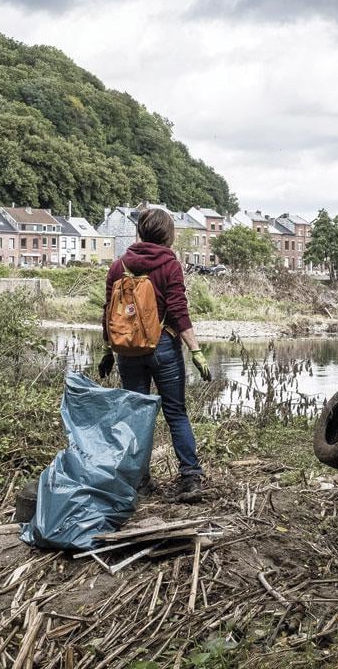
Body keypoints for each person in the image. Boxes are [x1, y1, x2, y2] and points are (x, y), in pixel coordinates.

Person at [98, 208, 212, 502]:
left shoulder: (118, 266)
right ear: (167, 235)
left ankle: (141, 482)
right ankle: (190, 479)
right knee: (176, 413)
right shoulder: (169, 265)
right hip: (163, 347)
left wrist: (108, 350)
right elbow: (177, 311)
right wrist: (196, 351)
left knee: (137, 418)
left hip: (127, 350)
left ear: (142, 232)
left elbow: (109, 312)